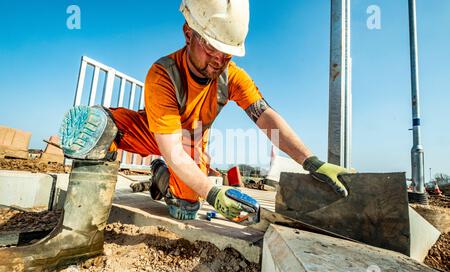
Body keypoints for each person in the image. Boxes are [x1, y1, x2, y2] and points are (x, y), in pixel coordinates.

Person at [60, 0, 354, 222]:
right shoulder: (164, 74)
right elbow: (171, 149)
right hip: (152, 133)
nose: (218, 59)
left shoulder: (232, 77)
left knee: (185, 209)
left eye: (225, 52)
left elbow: (267, 118)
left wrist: (312, 161)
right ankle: (82, 223)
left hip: (190, 146)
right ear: (188, 33)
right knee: (95, 127)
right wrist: (213, 192)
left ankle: (162, 179)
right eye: (211, 47)